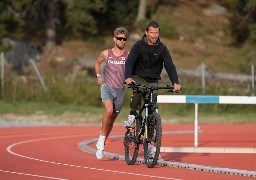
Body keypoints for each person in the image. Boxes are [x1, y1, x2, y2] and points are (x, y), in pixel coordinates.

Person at [124, 20, 181, 128]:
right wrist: (127, 77)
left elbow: (169, 66)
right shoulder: (138, 45)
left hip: (153, 80)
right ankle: (131, 116)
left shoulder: (162, 48)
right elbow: (130, 62)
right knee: (139, 90)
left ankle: (149, 140)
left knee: (152, 106)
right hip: (138, 76)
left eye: (156, 33)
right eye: (152, 33)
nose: (154, 35)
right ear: (146, 32)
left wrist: (175, 82)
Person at [94, 27, 129, 159]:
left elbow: (132, 70)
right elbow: (97, 64)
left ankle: (102, 137)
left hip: (120, 90)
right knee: (108, 111)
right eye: (119, 38)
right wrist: (98, 75)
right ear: (114, 39)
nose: (121, 41)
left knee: (112, 120)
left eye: (124, 39)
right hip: (107, 87)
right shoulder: (106, 53)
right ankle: (102, 140)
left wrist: (129, 78)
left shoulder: (128, 55)